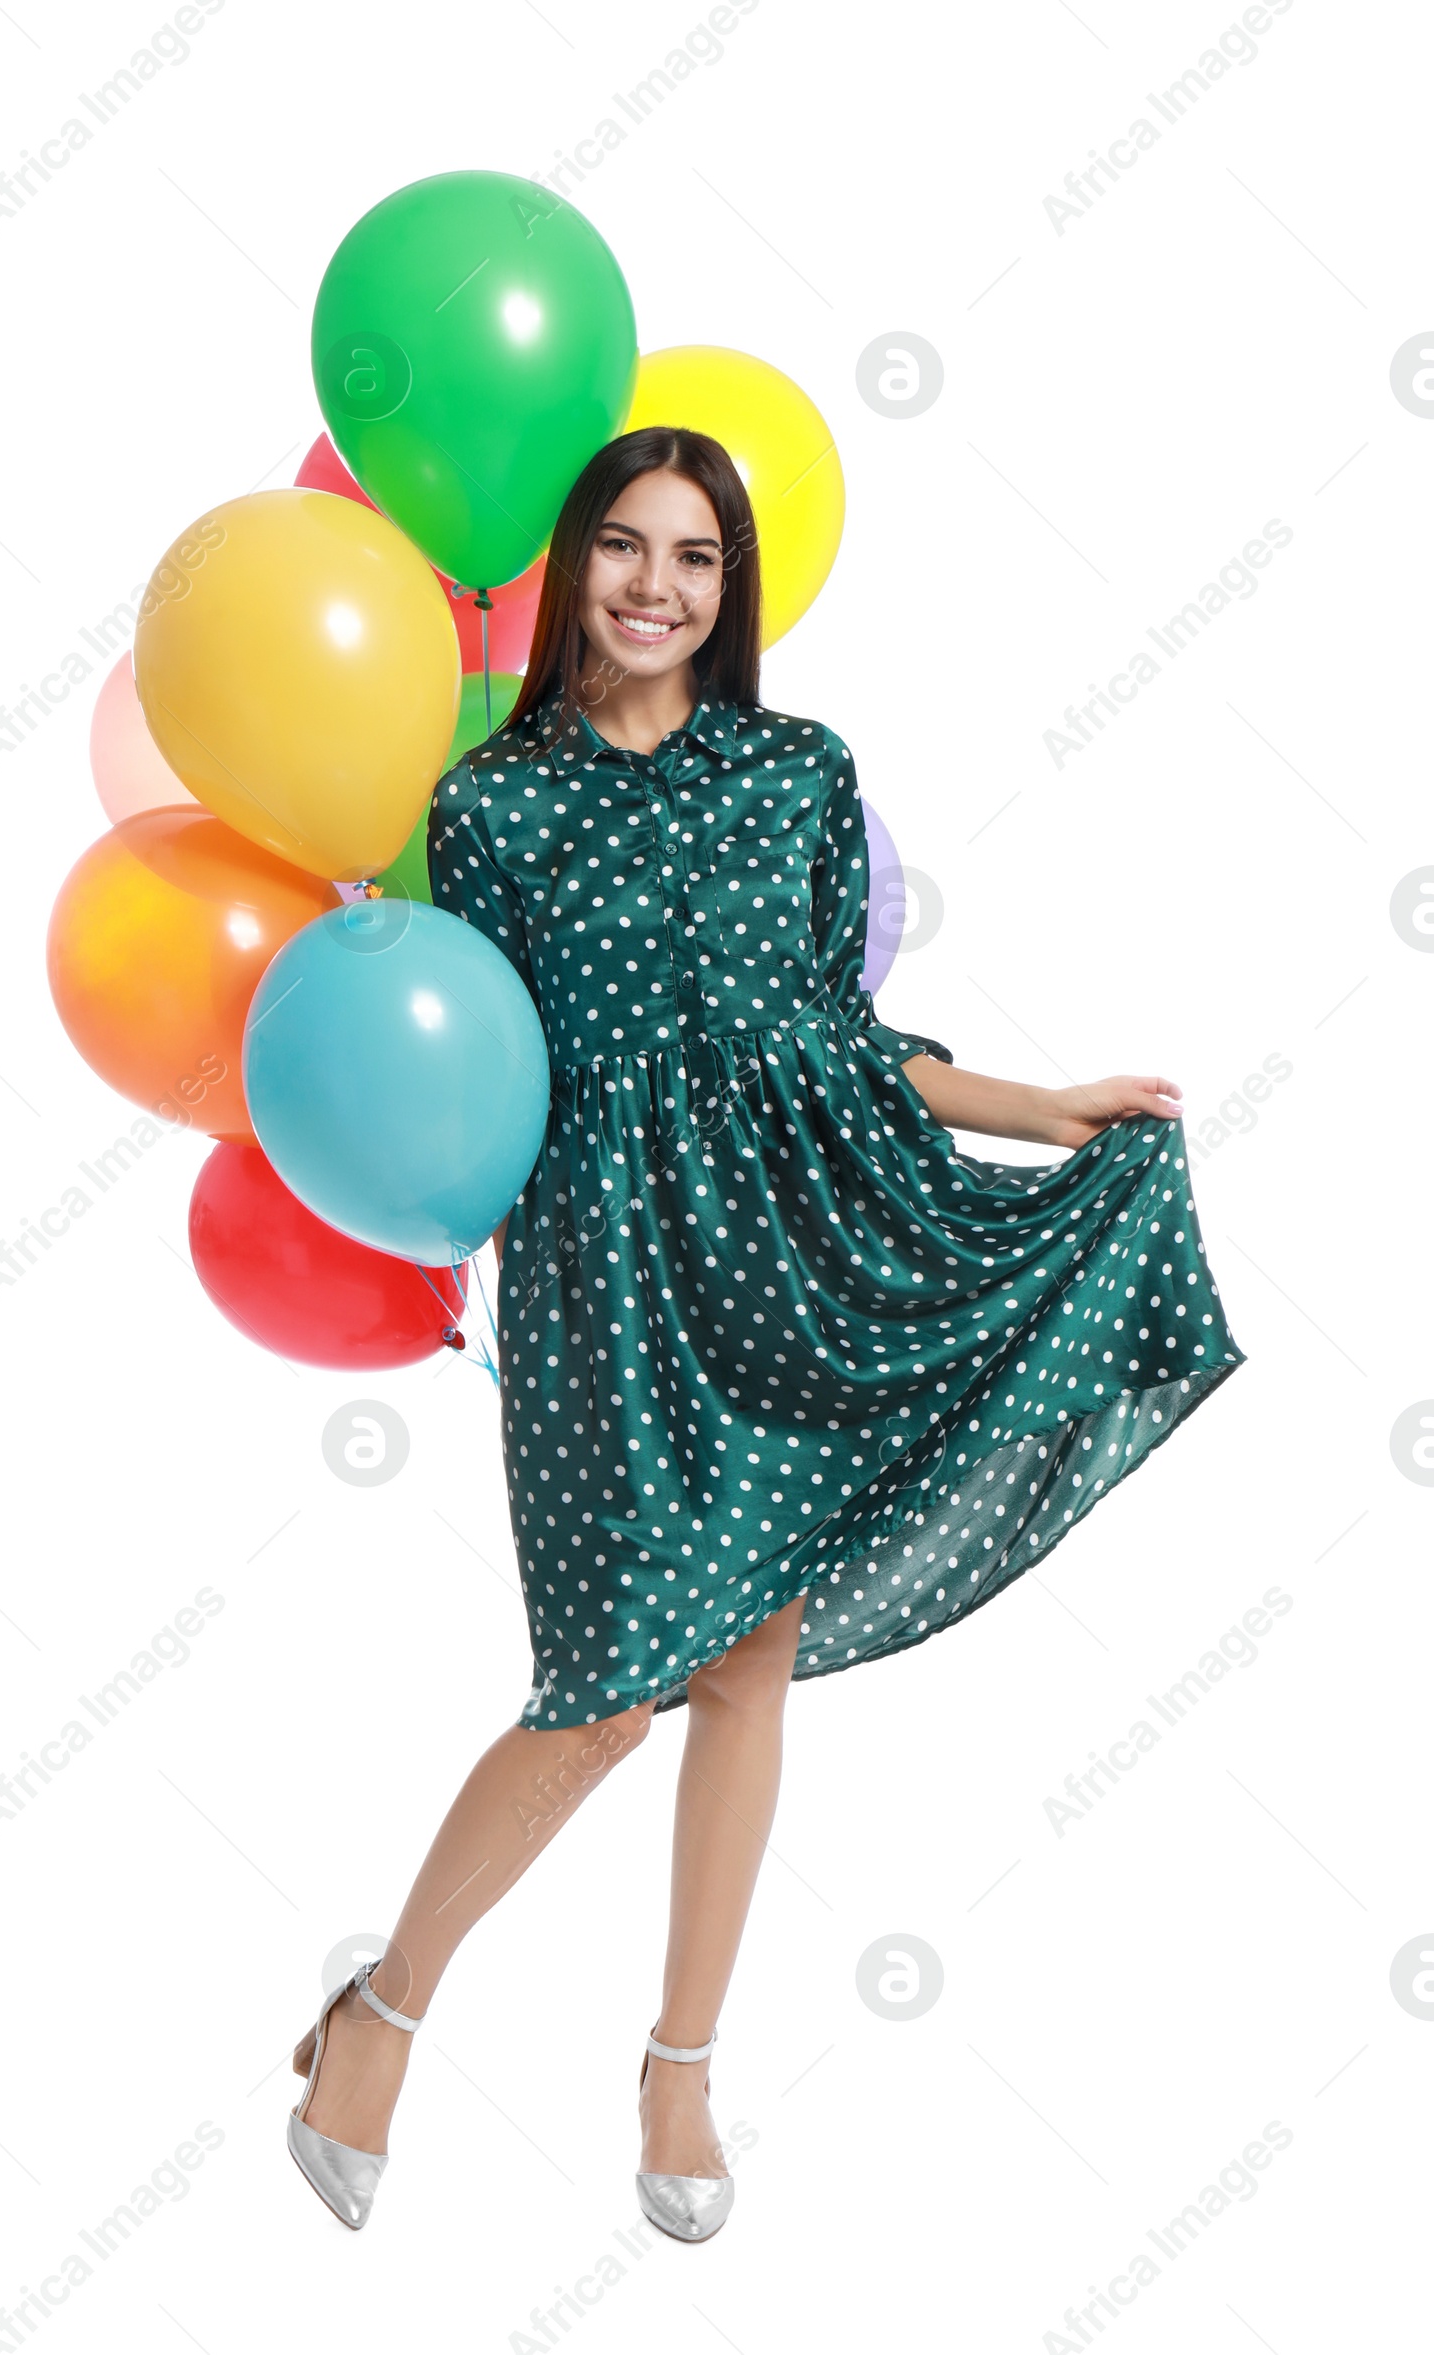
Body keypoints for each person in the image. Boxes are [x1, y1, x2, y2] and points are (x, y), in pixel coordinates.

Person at [286, 425, 1247, 2240]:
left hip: (800, 1256)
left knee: (747, 1671)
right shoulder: (486, 812)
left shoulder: (798, 774)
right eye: (627, 550)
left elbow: (835, 1044)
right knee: (607, 1701)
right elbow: (478, 1079)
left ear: (730, 590)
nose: (657, 588)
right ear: (569, 564)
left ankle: (681, 2072)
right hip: (611, 1286)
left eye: (697, 559)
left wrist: (1041, 1108)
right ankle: (382, 2011)